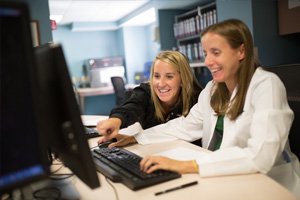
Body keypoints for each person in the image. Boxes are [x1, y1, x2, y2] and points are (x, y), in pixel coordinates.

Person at [100, 19, 300, 197]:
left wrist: (187, 165)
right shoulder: (213, 89)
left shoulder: (266, 86)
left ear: (241, 51)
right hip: (222, 175)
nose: (207, 61)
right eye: (206, 53)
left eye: (216, 53)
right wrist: (137, 138)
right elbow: (186, 125)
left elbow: (261, 156)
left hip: (267, 184)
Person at [97, 50, 202, 147]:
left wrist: (136, 138)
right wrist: (116, 120)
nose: (161, 84)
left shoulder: (197, 99)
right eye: (156, 76)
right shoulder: (146, 92)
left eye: (169, 77)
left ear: (183, 79)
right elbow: (133, 106)